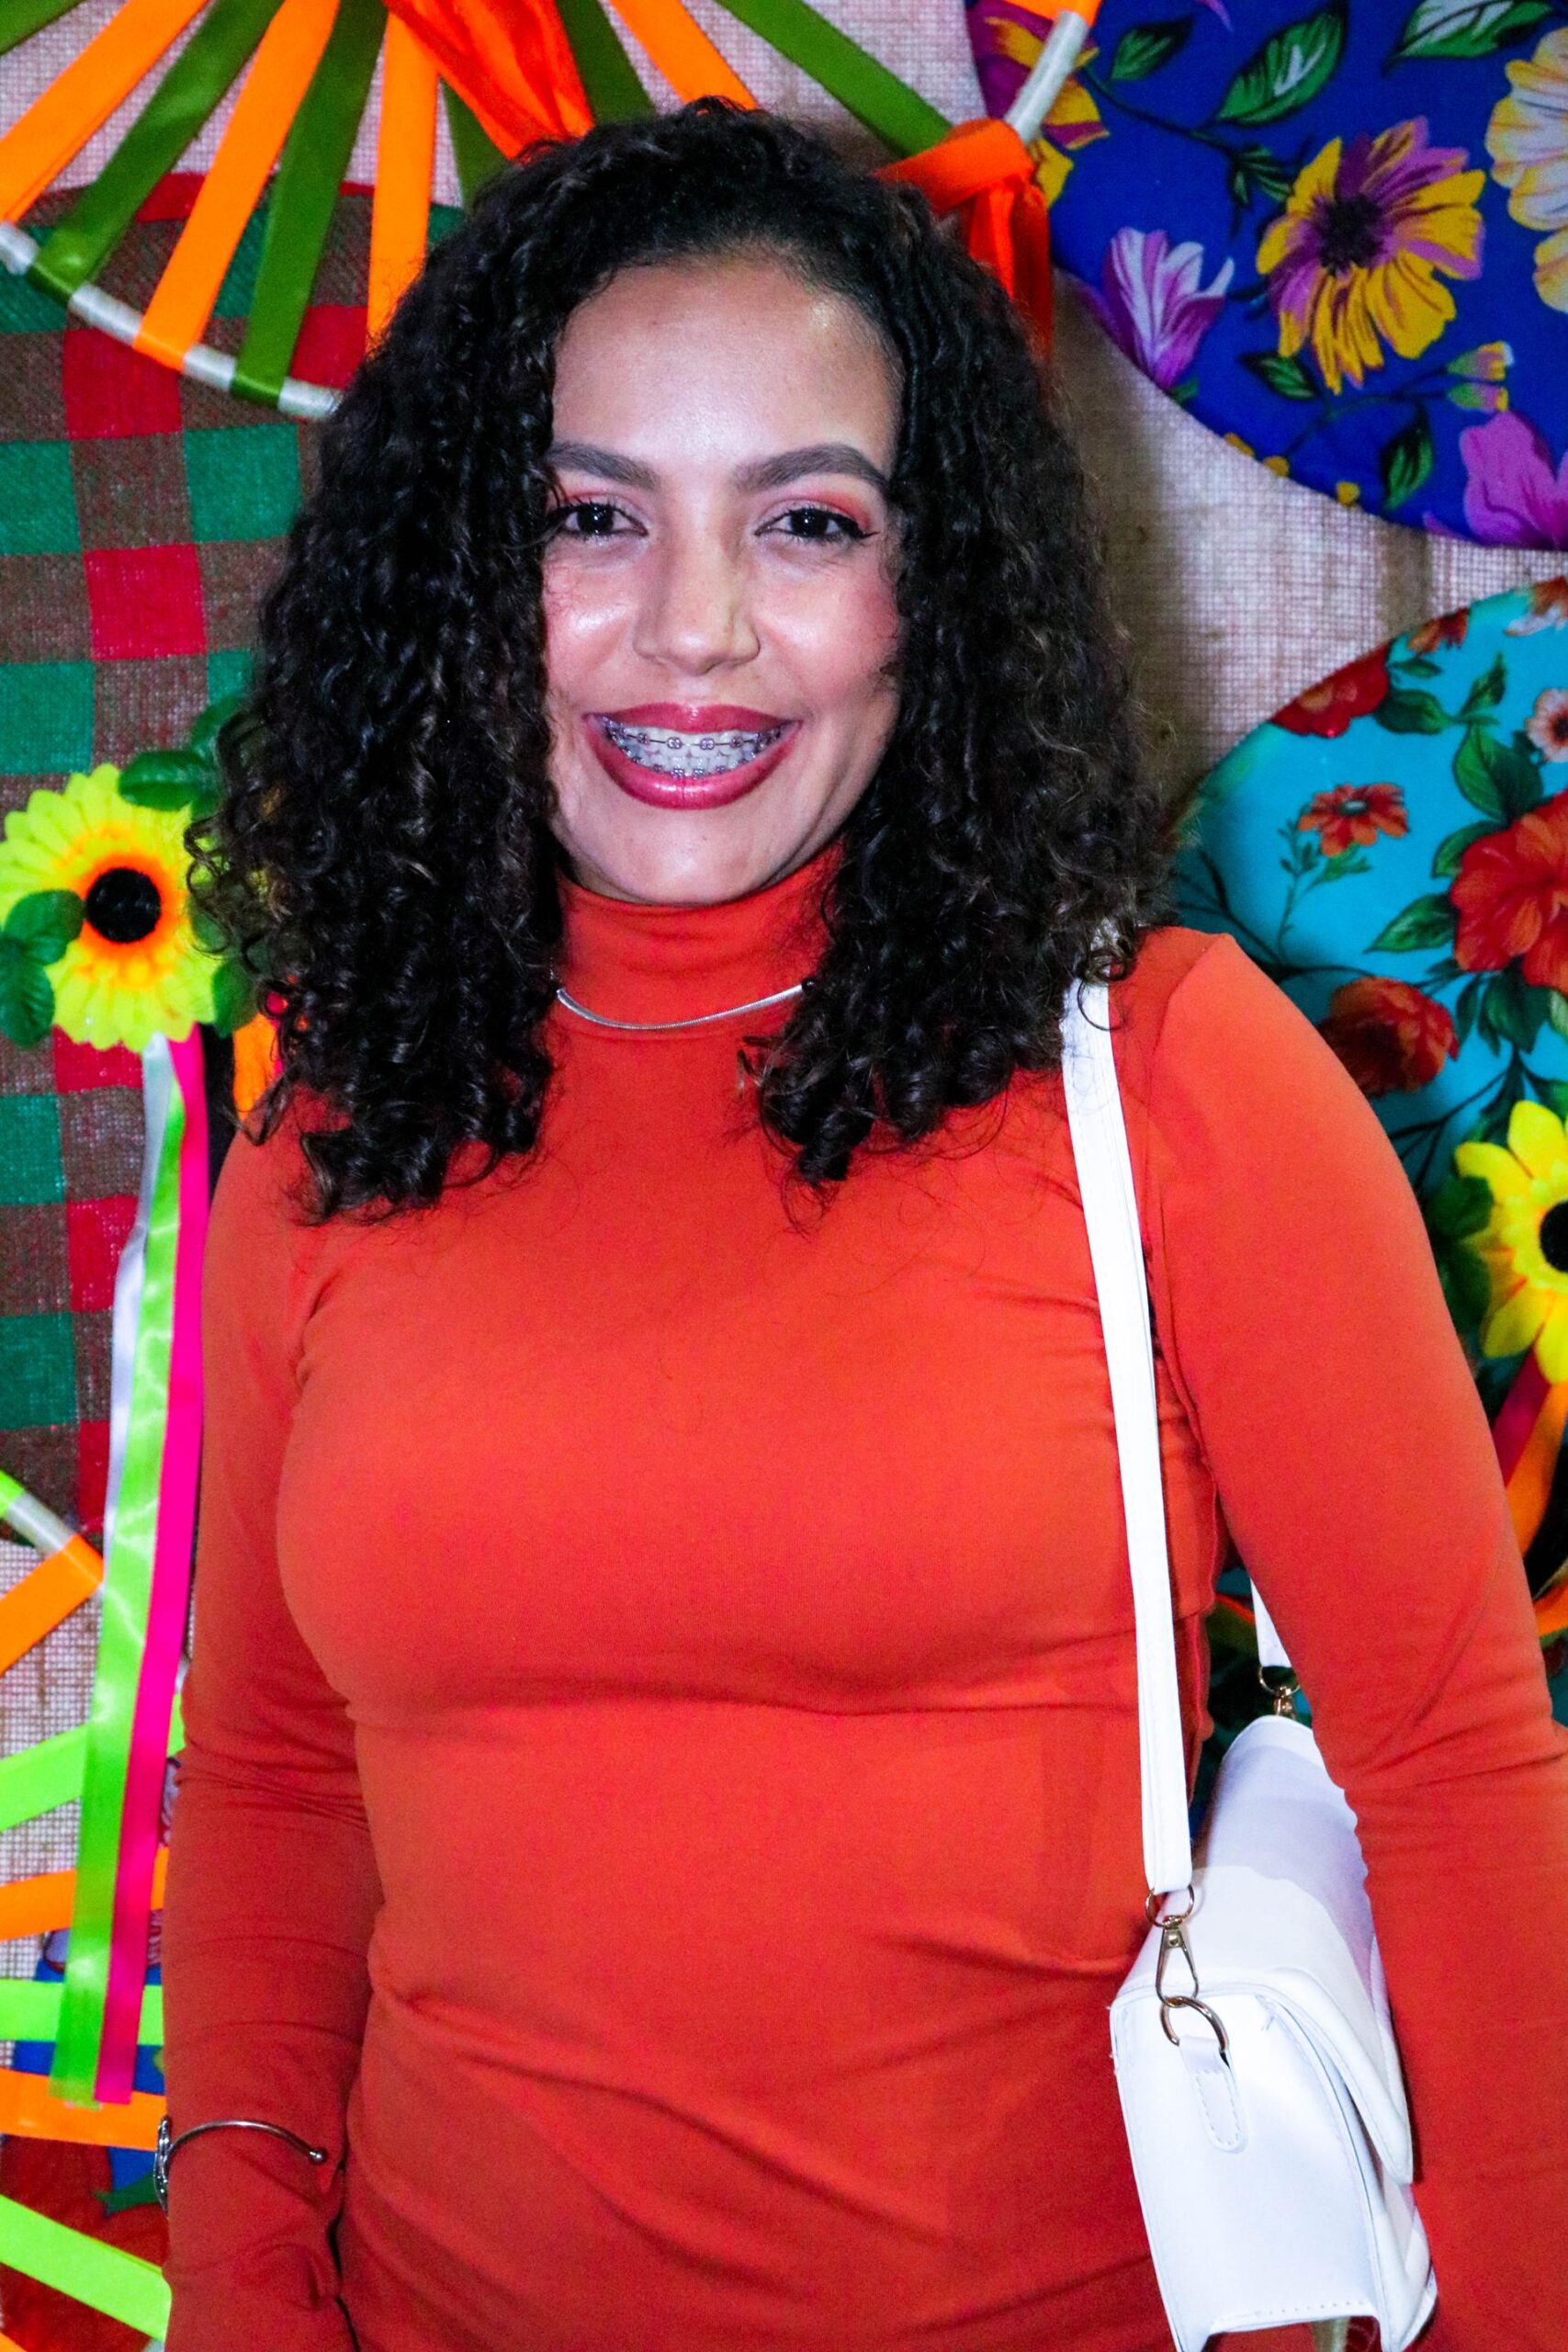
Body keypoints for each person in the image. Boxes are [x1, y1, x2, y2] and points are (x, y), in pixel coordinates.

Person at [161, 96, 1568, 2352]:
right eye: (589, 516)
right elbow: (270, 1774)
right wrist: (238, 2293)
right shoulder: (334, 1127)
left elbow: (1452, 1772)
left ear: (935, 590)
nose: (690, 631)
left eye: (803, 522)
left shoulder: (1169, 1074)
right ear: (459, 576)